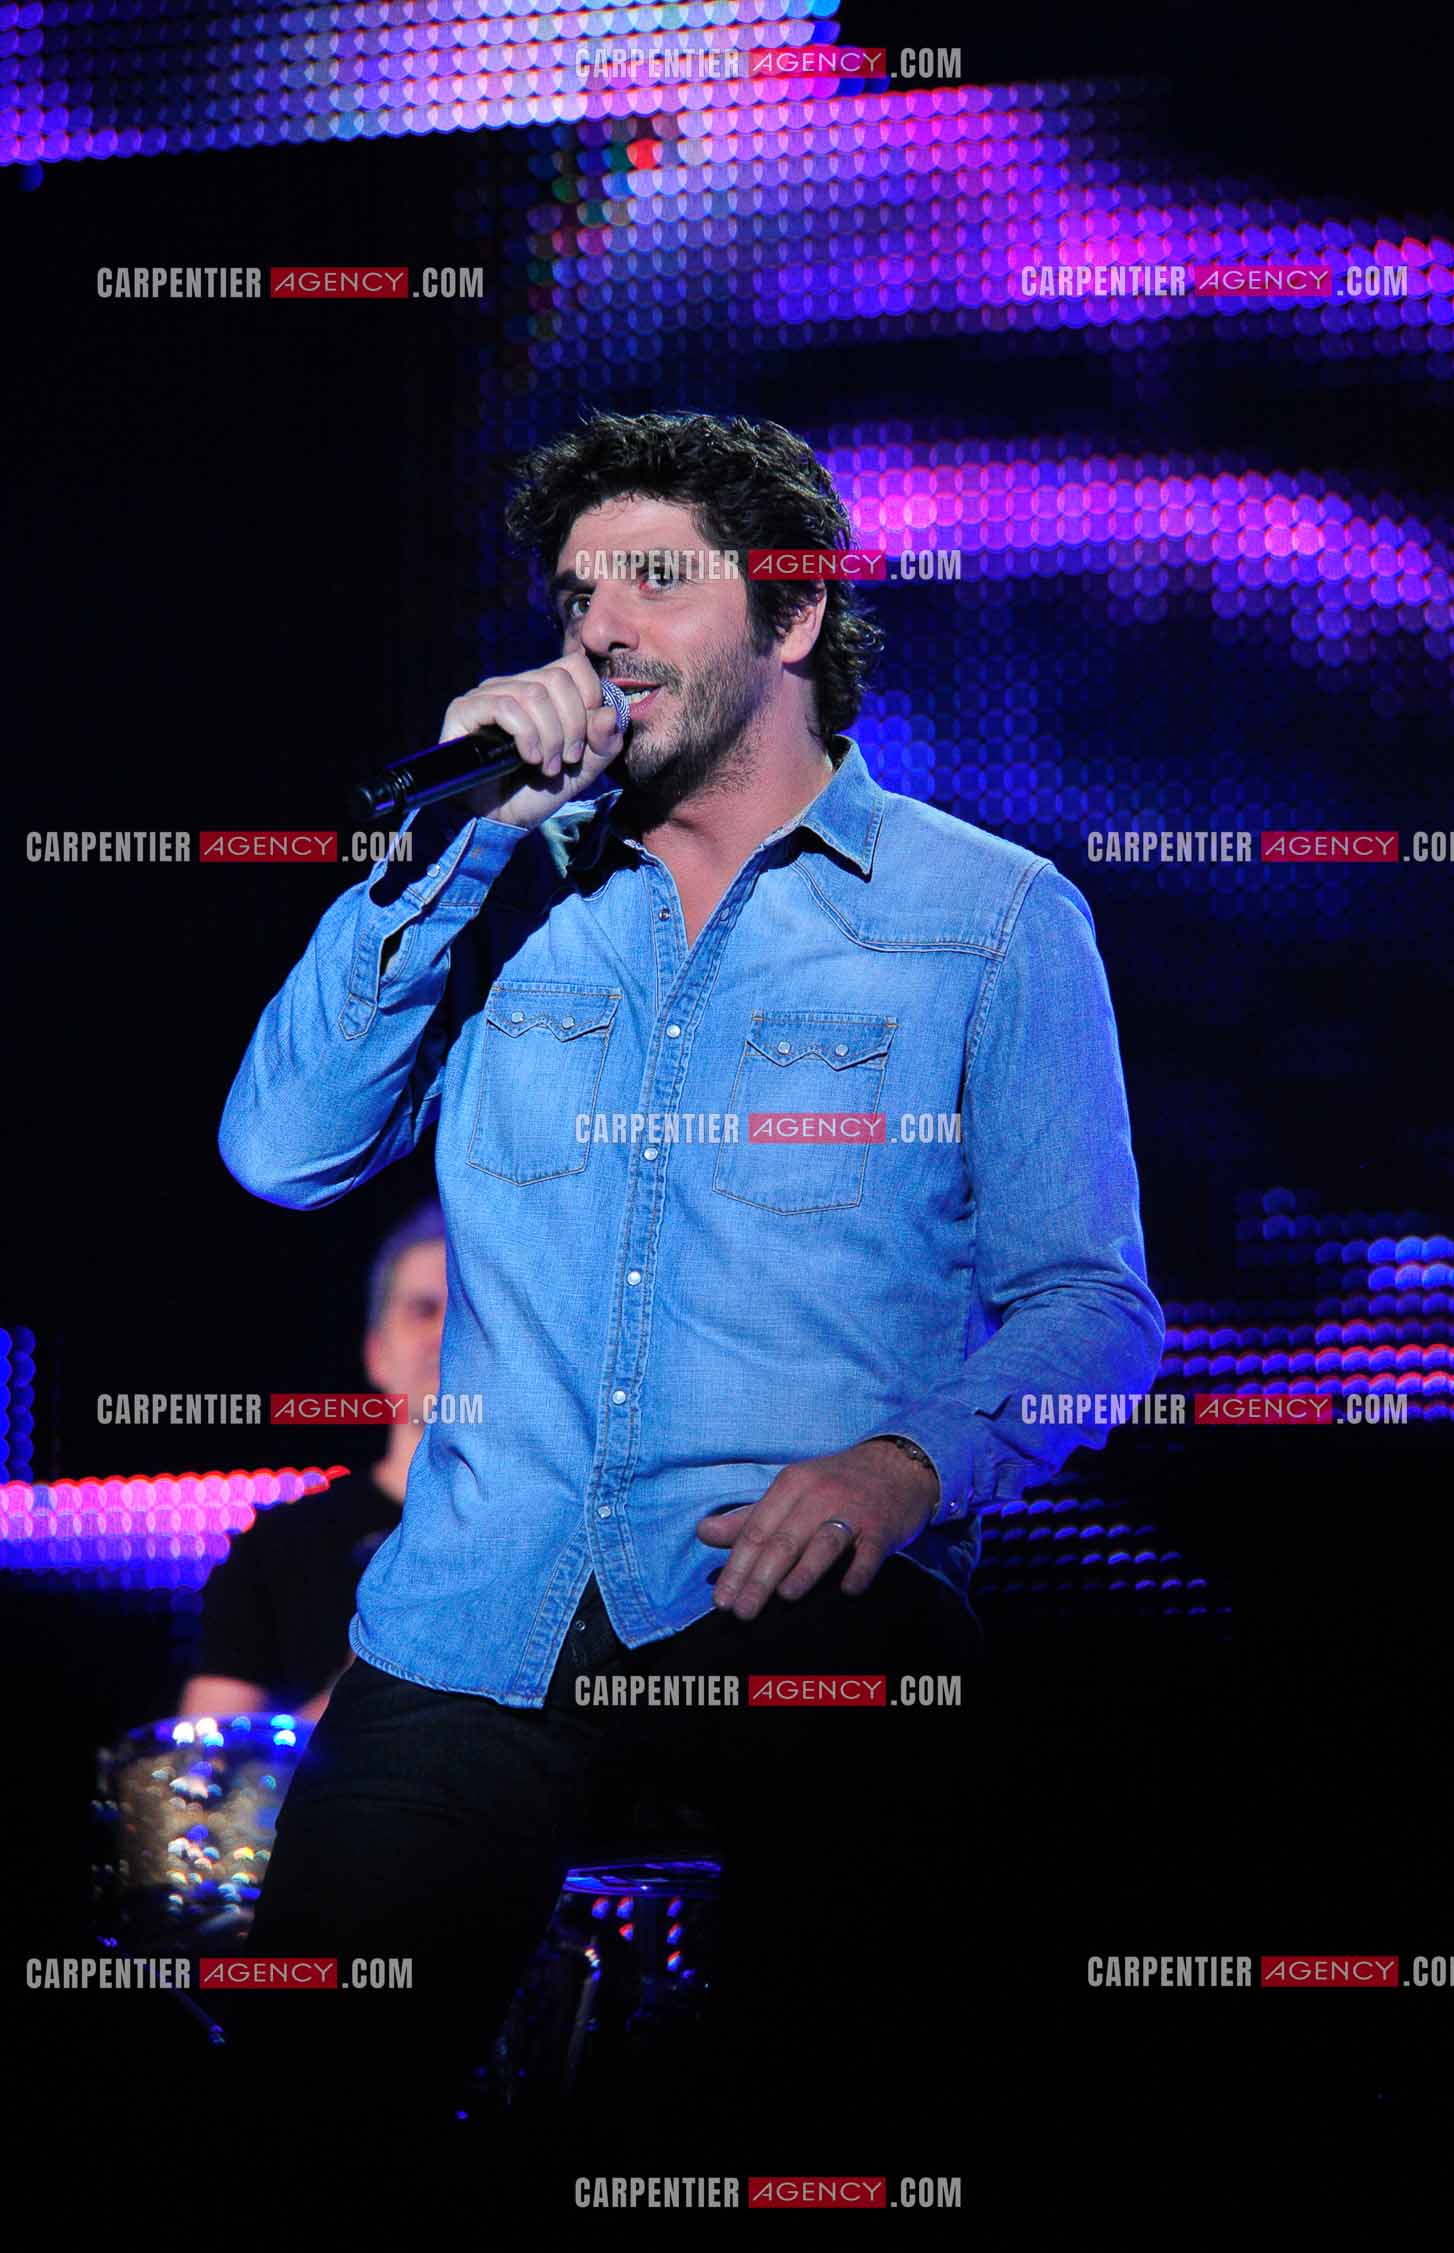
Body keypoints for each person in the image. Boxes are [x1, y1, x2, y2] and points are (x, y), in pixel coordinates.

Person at [216, 410, 1163, 2195]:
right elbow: (278, 1150)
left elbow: (1091, 1307)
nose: (603, 627)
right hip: (483, 1602)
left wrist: (911, 1466)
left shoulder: (988, 917)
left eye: (658, 577)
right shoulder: (503, 886)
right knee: (298, 2110)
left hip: (803, 1591)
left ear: (792, 618)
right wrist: (456, 841)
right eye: (580, 590)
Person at [178, 1204, 446, 1723]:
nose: (446, 1336)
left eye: (471, 1315)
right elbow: (210, 1778)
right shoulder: (277, 1547)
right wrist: (366, 1684)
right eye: (423, 1310)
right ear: (375, 1353)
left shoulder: (554, 1540)